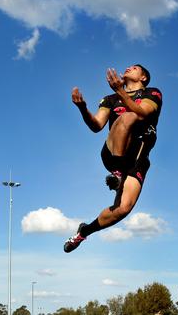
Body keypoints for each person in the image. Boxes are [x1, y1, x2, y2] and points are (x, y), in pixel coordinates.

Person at [64, 64, 163, 253]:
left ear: (143, 78)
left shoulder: (153, 93)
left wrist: (120, 90)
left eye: (134, 68)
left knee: (123, 208)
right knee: (126, 117)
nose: (128, 68)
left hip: (138, 158)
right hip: (113, 153)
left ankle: (84, 231)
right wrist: (83, 109)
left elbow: (143, 113)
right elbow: (97, 125)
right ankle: (117, 173)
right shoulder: (110, 99)